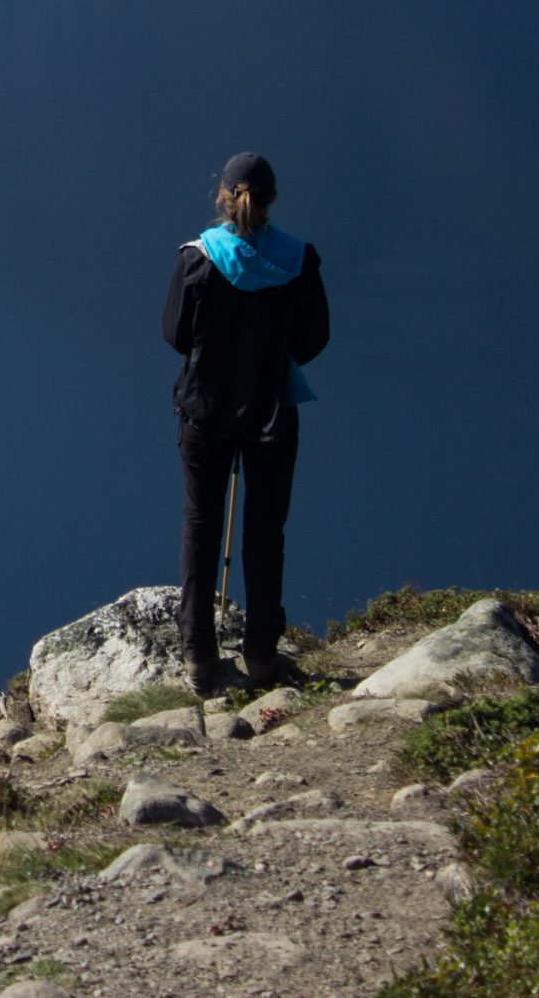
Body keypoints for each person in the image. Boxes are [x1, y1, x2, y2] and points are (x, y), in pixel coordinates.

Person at [162, 152, 330, 695]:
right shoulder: (300, 260)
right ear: (272, 197)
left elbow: (176, 335)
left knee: (201, 526)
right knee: (264, 531)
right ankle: (261, 654)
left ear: (223, 196)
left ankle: (199, 656)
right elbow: (312, 340)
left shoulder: (198, 258)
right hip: (272, 412)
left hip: (206, 412)